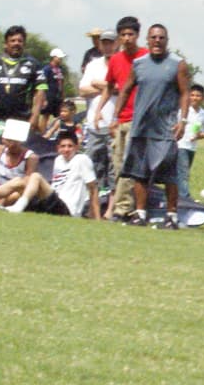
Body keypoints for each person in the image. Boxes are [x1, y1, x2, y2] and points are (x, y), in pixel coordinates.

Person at [111, 23, 189, 229]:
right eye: (153, 37)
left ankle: (171, 216)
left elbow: (185, 93)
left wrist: (183, 120)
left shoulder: (177, 64)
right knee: (139, 173)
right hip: (141, 127)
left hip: (165, 129)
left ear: (167, 40)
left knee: (169, 175)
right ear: (147, 40)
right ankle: (140, 213)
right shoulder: (139, 64)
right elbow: (125, 90)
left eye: (161, 38)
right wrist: (114, 117)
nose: (157, 41)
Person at [0, 130, 101, 219]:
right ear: (58, 148)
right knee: (19, 182)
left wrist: (97, 218)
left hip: (68, 209)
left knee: (35, 176)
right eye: (63, 146)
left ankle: (17, 206)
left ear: (76, 147)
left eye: (70, 146)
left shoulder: (82, 159)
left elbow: (93, 189)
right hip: (52, 204)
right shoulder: (58, 160)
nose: (66, 149)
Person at [104, 16, 147, 220]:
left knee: (131, 164)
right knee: (119, 164)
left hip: (141, 120)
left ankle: (122, 209)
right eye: (123, 35)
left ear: (138, 35)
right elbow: (111, 87)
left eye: (131, 34)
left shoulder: (146, 57)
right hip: (121, 118)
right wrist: (105, 114)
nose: (127, 38)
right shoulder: (115, 59)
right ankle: (126, 207)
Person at [0, 24, 46, 125]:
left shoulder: (34, 65)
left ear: (24, 44)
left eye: (20, 41)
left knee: (15, 141)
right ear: (6, 44)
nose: (16, 43)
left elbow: (40, 91)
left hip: (22, 119)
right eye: (13, 40)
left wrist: (35, 117)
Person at [79, 27, 117, 192]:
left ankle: (111, 202)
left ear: (117, 44)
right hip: (95, 124)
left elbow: (122, 88)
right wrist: (108, 88)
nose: (107, 47)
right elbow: (82, 91)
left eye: (111, 43)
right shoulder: (93, 64)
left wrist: (98, 84)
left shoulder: (123, 64)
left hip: (114, 124)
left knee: (114, 167)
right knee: (91, 164)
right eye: (104, 43)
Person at [177, 82, 204, 200]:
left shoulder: (203, 113)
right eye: (192, 95)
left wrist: (199, 135)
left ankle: (177, 195)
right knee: (183, 172)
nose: (195, 98)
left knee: (182, 172)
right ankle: (185, 197)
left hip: (191, 147)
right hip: (180, 145)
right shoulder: (183, 110)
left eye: (198, 95)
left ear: (203, 98)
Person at [38, 47, 67, 133]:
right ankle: (42, 134)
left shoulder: (60, 69)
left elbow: (61, 83)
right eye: (59, 57)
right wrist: (44, 98)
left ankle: (57, 132)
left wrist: (62, 95)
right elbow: (43, 84)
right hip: (49, 96)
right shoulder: (47, 69)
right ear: (54, 57)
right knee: (45, 115)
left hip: (57, 97)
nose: (60, 59)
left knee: (61, 115)